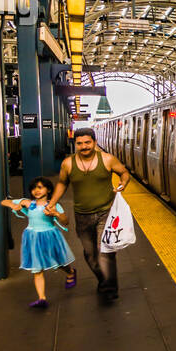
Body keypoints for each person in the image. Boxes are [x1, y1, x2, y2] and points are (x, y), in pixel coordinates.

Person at [46, 126, 131, 303]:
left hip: (106, 213)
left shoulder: (107, 159)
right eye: (80, 143)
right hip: (82, 215)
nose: (84, 146)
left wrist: (123, 183)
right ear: (75, 144)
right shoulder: (68, 163)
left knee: (104, 251)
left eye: (87, 142)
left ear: (94, 142)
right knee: (90, 255)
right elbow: (62, 183)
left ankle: (109, 289)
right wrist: (52, 202)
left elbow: (124, 172)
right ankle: (103, 280)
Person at [1, 176, 77, 309]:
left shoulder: (54, 204)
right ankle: (42, 298)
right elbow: (4, 202)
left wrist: (56, 214)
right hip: (33, 237)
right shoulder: (28, 203)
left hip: (50, 236)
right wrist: (15, 205)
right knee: (37, 269)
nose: (36, 190)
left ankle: (70, 272)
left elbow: (65, 221)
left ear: (48, 190)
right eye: (33, 188)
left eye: (40, 187)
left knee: (58, 262)